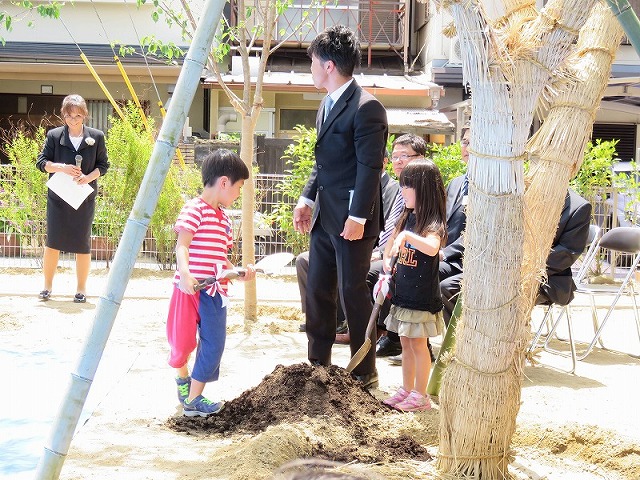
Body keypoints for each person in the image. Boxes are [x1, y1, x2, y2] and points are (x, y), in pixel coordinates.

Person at [293, 25, 388, 390]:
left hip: (352, 220)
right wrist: (306, 199)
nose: (312, 69)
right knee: (318, 289)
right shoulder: (326, 103)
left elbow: (370, 167)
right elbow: (323, 164)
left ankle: (365, 372)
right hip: (323, 217)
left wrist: (358, 217)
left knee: (352, 293)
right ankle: (317, 365)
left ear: (329, 65)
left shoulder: (367, 107)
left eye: (314, 63)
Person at [167, 149, 256, 417]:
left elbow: (221, 259)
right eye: (239, 187)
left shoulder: (225, 219)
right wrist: (185, 274)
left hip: (216, 292)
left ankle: (194, 398)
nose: (238, 194)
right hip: (189, 289)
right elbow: (182, 245)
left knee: (214, 343)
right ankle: (183, 380)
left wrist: (238, 271)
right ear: (225, 182)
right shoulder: (194, 209)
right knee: (181, 343)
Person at [296, 151, 397, 340]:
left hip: (369, 245)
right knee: (304, 260)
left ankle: (357, 330)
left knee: (353, 271)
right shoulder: (341, 179)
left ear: (382, 162)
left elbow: (390, 227)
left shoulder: (392, 188)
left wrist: (379, 252)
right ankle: (320, 317)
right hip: (338, 237)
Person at [380, 159, 447, 411]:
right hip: (403, 293)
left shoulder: (432, 223)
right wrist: (388, 262)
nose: (402, 191)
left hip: (420, 296)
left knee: (418, 344)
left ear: (423, 189)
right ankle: (407, 389)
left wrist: (407, 237)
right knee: (406, 342)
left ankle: (421, 395)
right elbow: (390, 245)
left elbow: (431, 248)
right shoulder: (406, 217)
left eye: (408, 186)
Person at [35, 94, 109, 303]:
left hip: (83, 198)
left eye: (77, 115)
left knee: (82, 242)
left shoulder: (96, 136)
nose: (73, 120)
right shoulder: (54, 135)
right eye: (69, 115)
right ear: (63, 115)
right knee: (53, 242)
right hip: (58, 198)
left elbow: (103, 166)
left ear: (84, 115)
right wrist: (62, 168)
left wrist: (88, 178)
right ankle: (47, 286)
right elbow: (41, 163)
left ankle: (81, 288)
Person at [371, 134, 426, 357]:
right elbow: (393, 229)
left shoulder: (425, 188)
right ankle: (383, 333)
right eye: (395, 157)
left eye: (405, 156)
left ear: (421, 158)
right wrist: (382, 253)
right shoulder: (398, 187)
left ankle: (390, 335)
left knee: (375, 273)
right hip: (392, 250)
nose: (399, 161)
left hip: (416, 254)